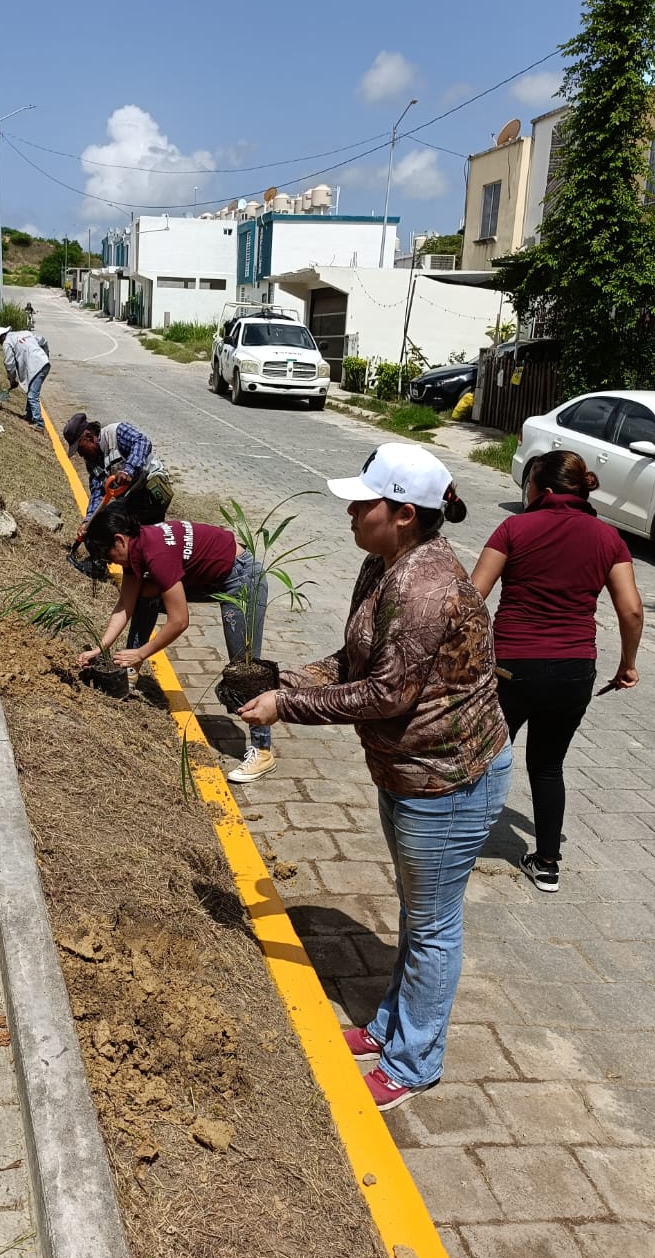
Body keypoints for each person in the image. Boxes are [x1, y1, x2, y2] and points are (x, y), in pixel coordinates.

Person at [238, 443, 512, 1112]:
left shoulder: (425, 588)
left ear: (406, 515)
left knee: (434, 924)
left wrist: (287, 705)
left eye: (365, 503)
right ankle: (392, 1026)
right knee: (417, 915)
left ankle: (414, 1062)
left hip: (448, 781)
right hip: (409, 771)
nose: (353, 512)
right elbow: (354, 659)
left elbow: (385, 693)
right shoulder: (383, 563)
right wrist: (287, 678)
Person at [471, 449, 643, 894]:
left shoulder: (514, 527)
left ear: (543, 489)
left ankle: (459, 846)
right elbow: (632, 609)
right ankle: (547, 863)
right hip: (573, 670)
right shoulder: (608, 538)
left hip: (510, 666)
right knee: (548, 765)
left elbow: (474, 596)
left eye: (527, 483)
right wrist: (627, 664)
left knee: (484, 756)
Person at [80, 506, 278, 783]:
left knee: (244, 668)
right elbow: (125, 604)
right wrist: (100, 648)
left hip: (242, 579)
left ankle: (262, 750)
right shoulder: (136, 550)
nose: (110, 563)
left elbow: (179, 621)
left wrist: (141, 652)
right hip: (211, 576)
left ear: (119, 541)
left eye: (107, 555)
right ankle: (130, 672)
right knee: (145, 594)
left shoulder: (156, 553)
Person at [62, 412, 174, 531]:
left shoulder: (116, 432)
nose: (80, 454)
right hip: (130, 496)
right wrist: (88, 521)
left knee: (126, 521)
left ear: (89, 437)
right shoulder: (91, 463)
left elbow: (142, 441)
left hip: (150, 483)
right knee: (108, 523)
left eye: (80, 448)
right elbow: (97, 493)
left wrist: (128, 470)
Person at [0, 325, 51, 430]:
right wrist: (45, 357)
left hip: (36, 367)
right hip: (44, 364)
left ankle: (39, 423)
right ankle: (29, 415)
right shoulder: (25, 332)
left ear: (1, 338)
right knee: (31, 391)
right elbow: (43, 341)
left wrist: (12, 380)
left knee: (33, 395)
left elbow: (9, 364)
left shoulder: (7, 342)